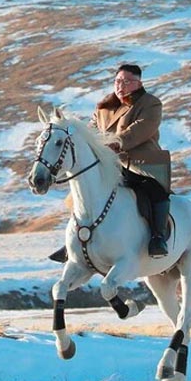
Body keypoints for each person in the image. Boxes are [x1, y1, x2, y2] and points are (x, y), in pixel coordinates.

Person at [49, 64, 171, 262]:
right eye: (117, 81)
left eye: (126, 81)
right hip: (109, 163)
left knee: (155, 192)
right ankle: (77, 241)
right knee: (81, 194)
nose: (120, 86)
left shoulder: (150, 104)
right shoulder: (103, 107)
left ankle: (158, 238)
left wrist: (118, 142)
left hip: (141, 162)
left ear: (138, 83)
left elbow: (142, 129)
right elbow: (92, 131)